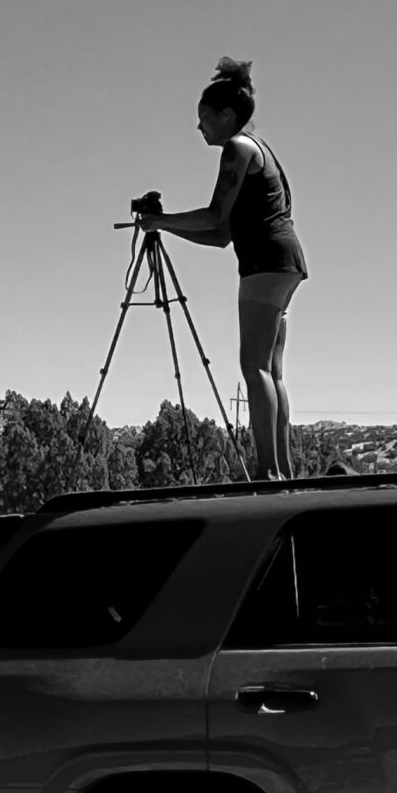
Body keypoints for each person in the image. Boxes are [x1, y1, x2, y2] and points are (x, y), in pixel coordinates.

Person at [139, 57, 308, 479]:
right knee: (271, 370)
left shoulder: (238, 148)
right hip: (284, 262)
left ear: (226, 115)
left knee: (254, 367)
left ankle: (270, 474)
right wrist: (167, 226)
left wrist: (161, 221)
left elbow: (216, 217)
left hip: (265, 262)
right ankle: (282, 472)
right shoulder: (261, 148)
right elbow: (220, 235)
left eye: (204, 119)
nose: (200, 128)